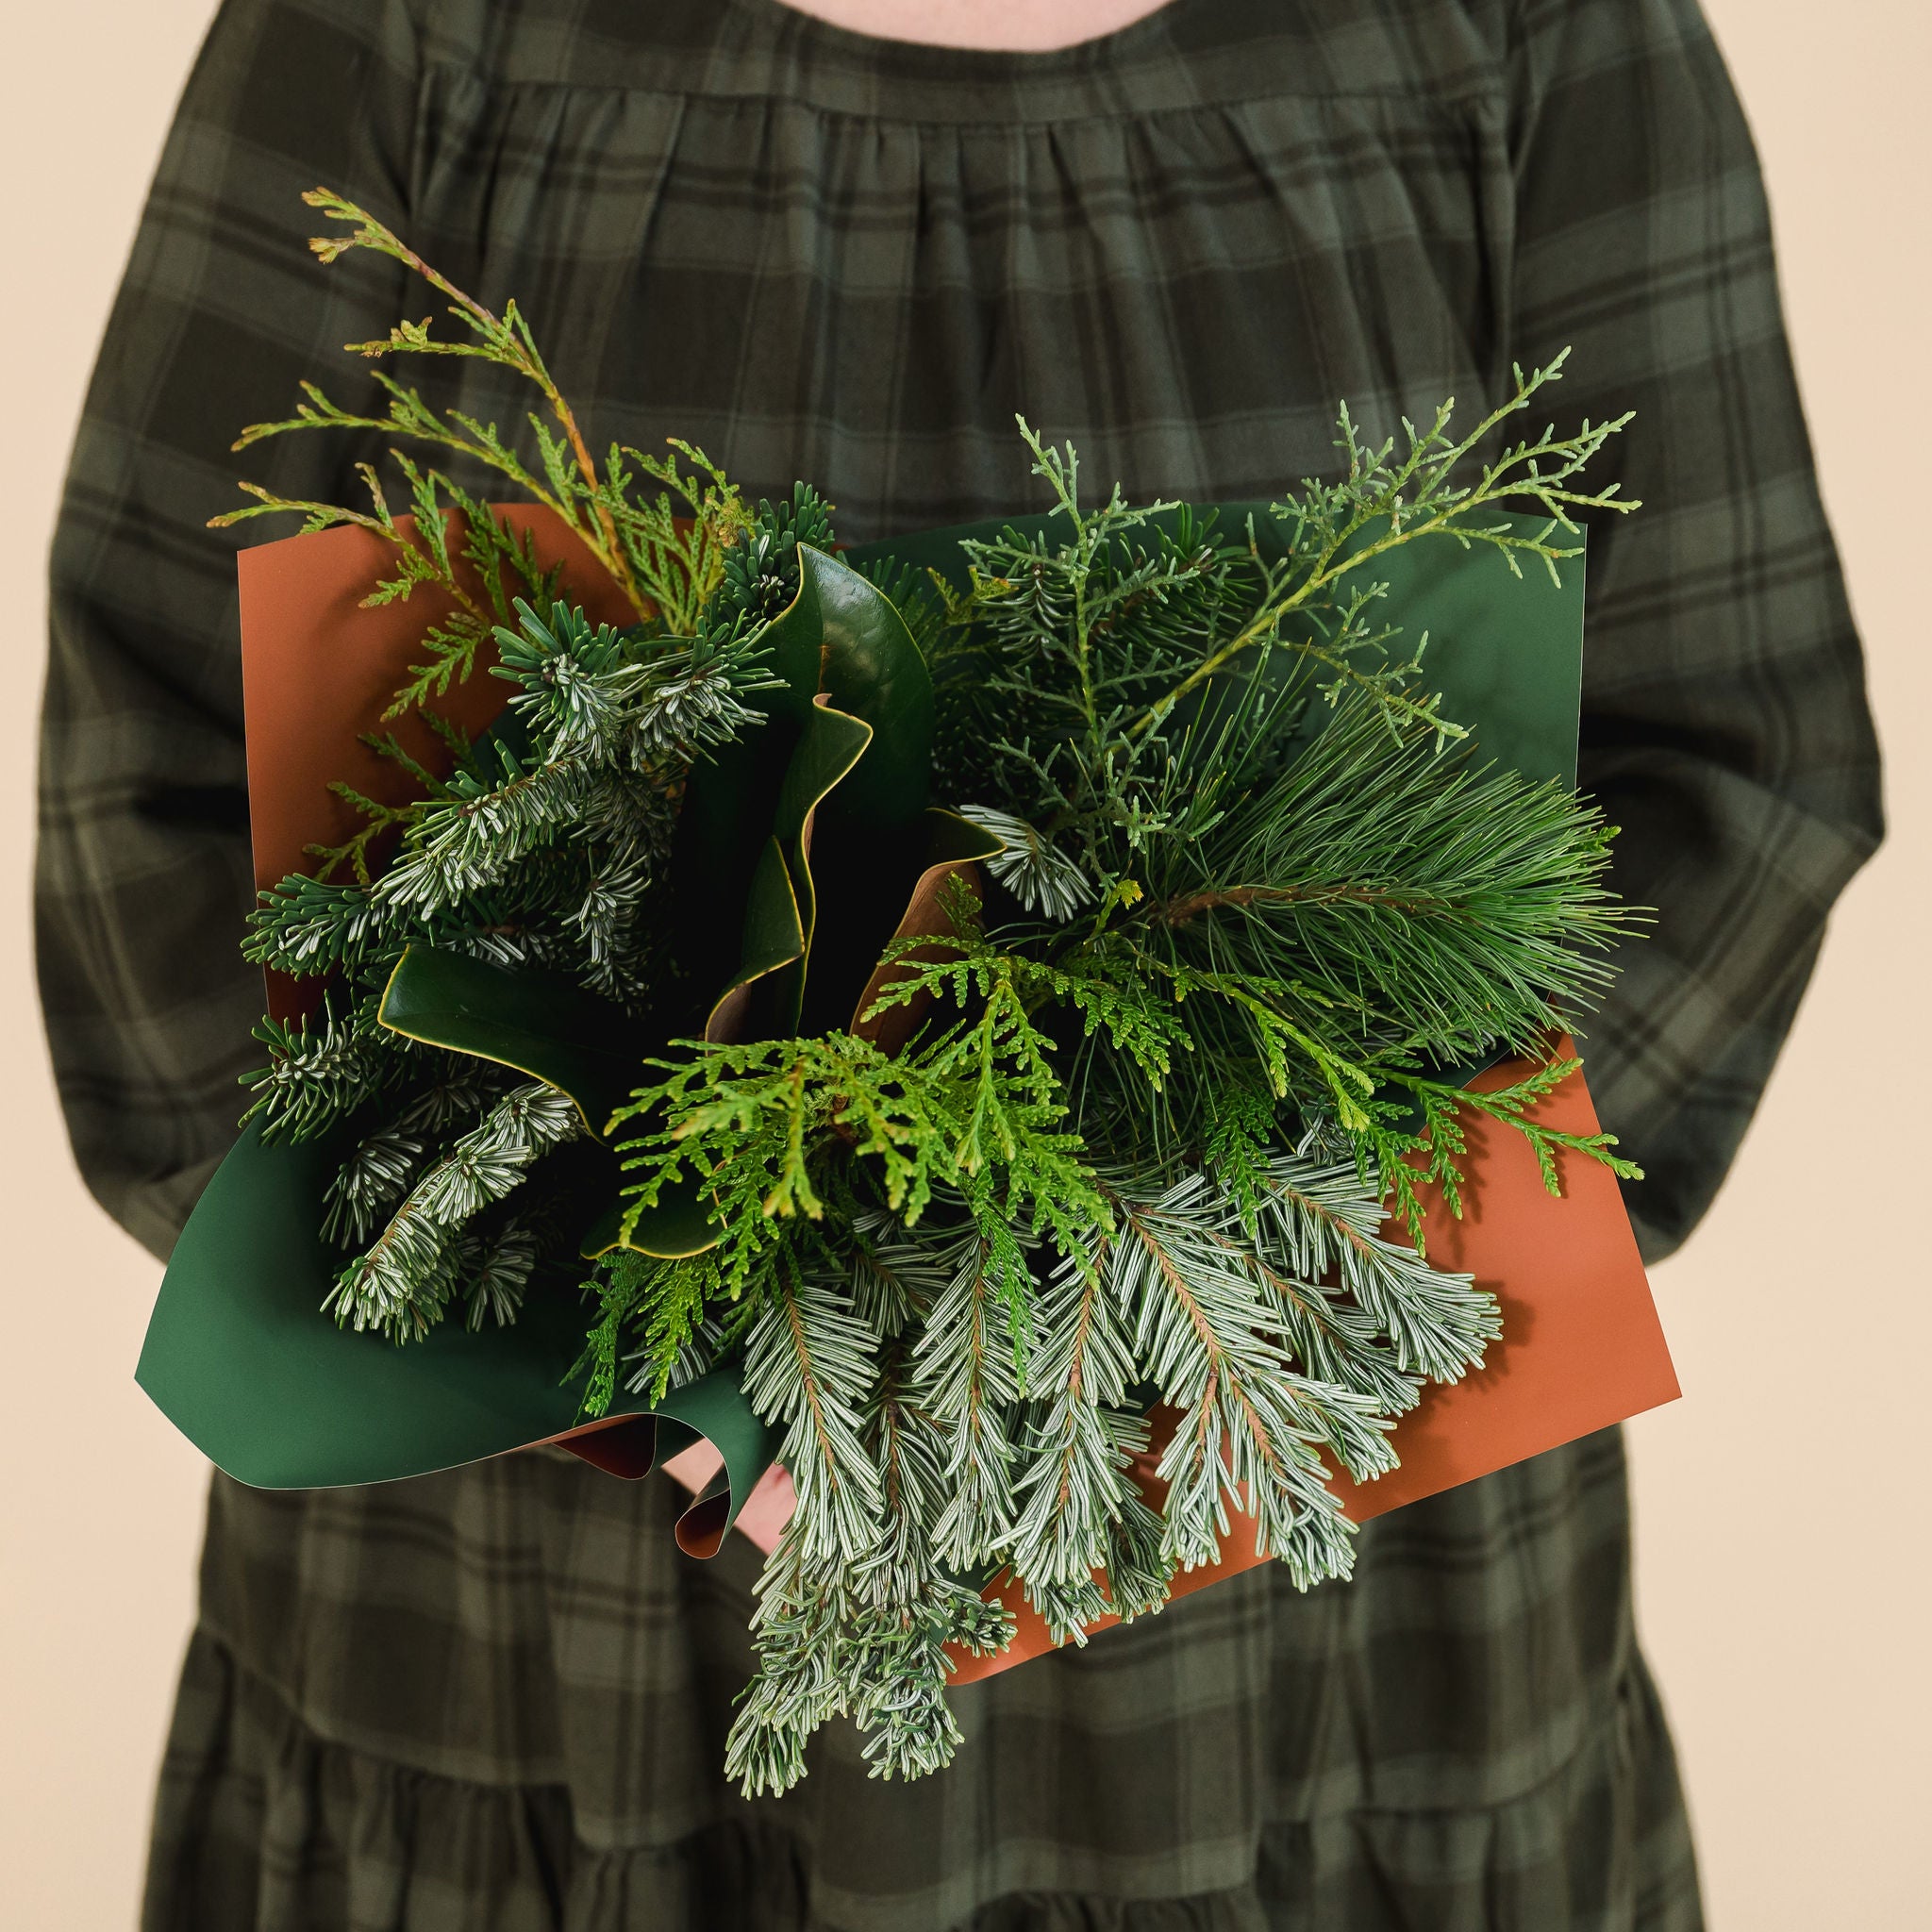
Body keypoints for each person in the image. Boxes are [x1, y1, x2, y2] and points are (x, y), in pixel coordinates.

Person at [38, 1, 1881, 1926]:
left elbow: (1729, 771)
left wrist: (1200, 1364)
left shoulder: (1520, 36)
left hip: (1318, 1677)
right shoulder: (404, 33)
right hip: (541, 1661)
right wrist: (609, 1355)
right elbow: (144, 772)